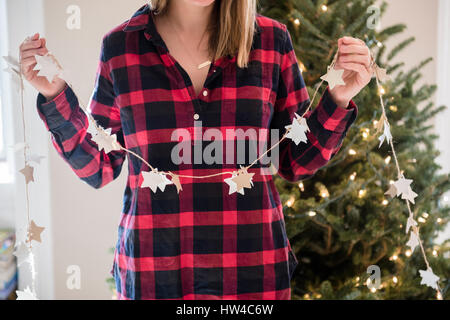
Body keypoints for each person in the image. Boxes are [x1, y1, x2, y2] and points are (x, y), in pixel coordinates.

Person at [19, 0, 372, 300]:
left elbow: (296, 160)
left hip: (252, 272)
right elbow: (98, 165)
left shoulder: (271, 40)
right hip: (153, 274)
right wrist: (54, 94)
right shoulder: (121, 47)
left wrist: (338, 97)